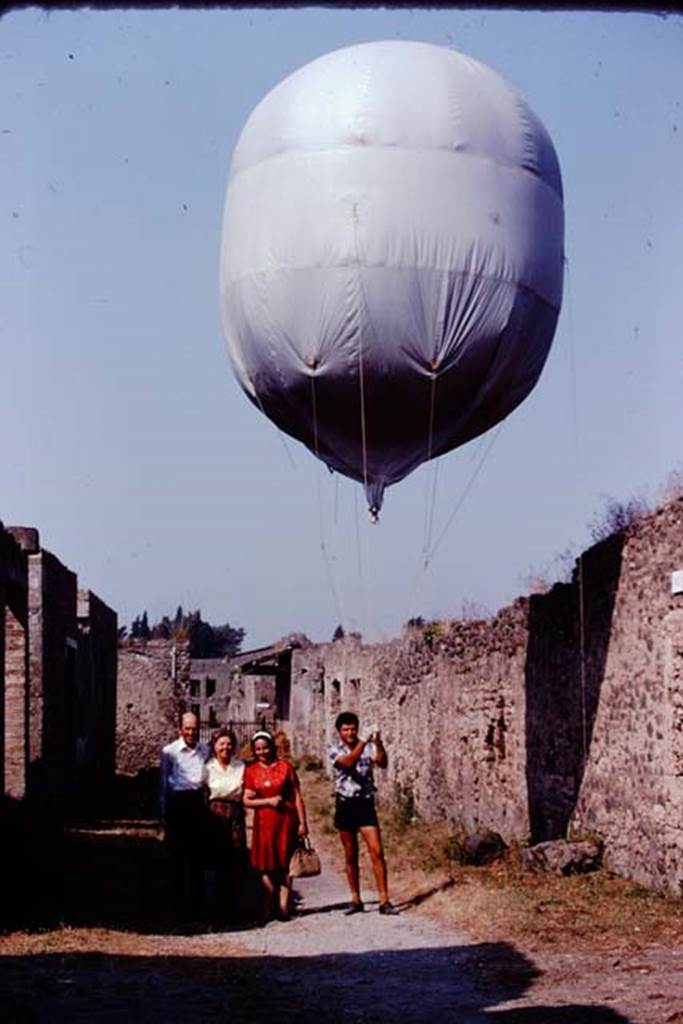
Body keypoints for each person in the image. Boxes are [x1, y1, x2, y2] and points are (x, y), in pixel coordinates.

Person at [328, 711, 399, 915]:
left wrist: (378, 743)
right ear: (339, 732)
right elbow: (348, 762)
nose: (350, 733)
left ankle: (384, 899)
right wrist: (363, 742)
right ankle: (355, 898)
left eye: (353, 729)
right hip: (345, 804)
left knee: (377, 851)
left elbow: (382, 762)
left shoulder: (366, 746)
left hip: (365, 804)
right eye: (346, 729)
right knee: (351, 855)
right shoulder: (334, 749)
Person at [243, 730, 308, 924]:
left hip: (286, 822)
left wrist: (303, 822)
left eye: (265, 747)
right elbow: (246, 800)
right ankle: (266, 906)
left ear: (272, 747)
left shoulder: (286, 767)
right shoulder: (251, 771)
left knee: (285, 864)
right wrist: (267, 801)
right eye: (258, 749)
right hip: (264, 823)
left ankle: (283, 907)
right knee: (265, 866)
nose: (262, 752)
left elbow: (297, 795)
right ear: (254, 751)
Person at [160, 711, 210, 925]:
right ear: (180, 729)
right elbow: (163, 783)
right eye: (187, 728)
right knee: (178, 859)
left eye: (195, 728)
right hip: (177, 805)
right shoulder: (169, 752)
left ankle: (198, 909)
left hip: (197, 803)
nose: (191, 732)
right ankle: (179, 911)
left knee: (198, 858)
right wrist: (163, 812)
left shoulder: (205, 750)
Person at [204, 727, 246, 923]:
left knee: (235, 858)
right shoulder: (208, 767)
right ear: (214, 746)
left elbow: (243, 791)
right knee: (214, 860)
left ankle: (234, 908)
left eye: (229, 744)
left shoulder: (240, 767)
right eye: (221, 744)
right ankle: (214, 908)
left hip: (235, 814)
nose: (226, 748)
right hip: (214, 815)